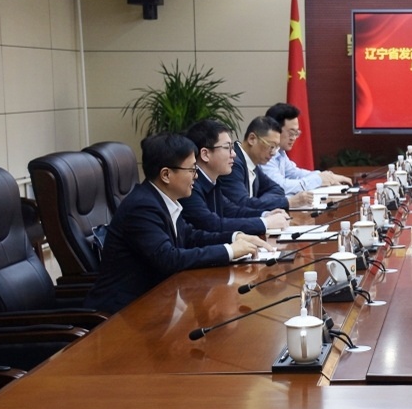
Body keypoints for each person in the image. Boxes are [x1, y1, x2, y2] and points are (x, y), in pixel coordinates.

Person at [84, 133, 272, 314]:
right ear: (166, 174)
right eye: (191, 169)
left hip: (157, 301)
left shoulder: (162, 199)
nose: (196, 176)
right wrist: (229, 251)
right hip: (124, 312)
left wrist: (235, 237)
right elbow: (169, 259)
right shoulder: (142, 207)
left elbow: (191, 236)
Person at [181, 119, 289, 234]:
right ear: (205, 154)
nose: (233, 154)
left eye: (232, 148)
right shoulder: (189, 185)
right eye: (227, 148)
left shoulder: (212, 181)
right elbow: (212, 225)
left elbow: (232, 211)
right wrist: (265, 223)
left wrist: (266, 215)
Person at [218, 116, 312, 213]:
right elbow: (243, 205)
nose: (273, 153)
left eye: (276, 147)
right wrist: (287, 202)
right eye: (271, 146)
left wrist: (258, 203)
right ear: (252, 139)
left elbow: (277, 189)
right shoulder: (233, 163)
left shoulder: (252, 162)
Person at [261, 103, 352, 193]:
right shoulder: (265, 154)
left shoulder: (279, 151)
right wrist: (319, 180)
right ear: (275, 130)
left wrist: (327, 177)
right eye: (291, 133)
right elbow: (280, 186)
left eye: (296, 133)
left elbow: (294, 173)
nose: (293, 138)